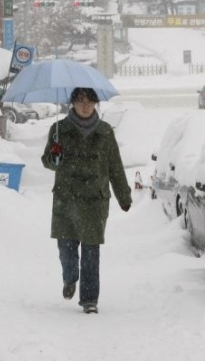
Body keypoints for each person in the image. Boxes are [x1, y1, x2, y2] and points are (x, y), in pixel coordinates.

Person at [41, 87, 132, 314]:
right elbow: (49, 163)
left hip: (94, 200)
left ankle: (89, 300)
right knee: (66, 248)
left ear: (95, 104)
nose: (85, 105)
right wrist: (54, 154)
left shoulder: (105, 131)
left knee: (91, 251)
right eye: (80, 101)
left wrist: (124, 195)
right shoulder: (59, 129)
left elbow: (115, 167)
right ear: (72, 104)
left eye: (90, 101)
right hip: (66, 198)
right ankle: (70, 278)